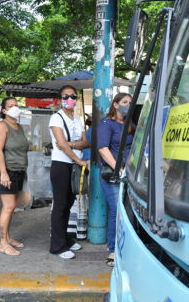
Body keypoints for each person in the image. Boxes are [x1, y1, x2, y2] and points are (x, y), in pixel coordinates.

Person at [48, 85, 89, 259]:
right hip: (61, 164)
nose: (69, 99)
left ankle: (65, 238)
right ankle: (57, 246)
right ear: (60, 99)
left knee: (70, 202)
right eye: (65, 97)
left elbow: (85, 142)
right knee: (60, 205)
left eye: (72, 96)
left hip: (73, 166)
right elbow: (60, 144)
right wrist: (78, 159)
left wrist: (71, 144)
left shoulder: (79, 119)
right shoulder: (56, 118)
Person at [97, 93, 135, 267]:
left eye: (130, 102)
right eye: (125, 102)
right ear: (116, 105)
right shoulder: (106, 124)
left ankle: (123, 245)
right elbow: (103, 149)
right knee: (117, 209)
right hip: (111, 174)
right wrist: (118, 169)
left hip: (128, 174)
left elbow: (135, 147)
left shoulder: (129, 125)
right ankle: (112, 249)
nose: (128, 104)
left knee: (126, 210)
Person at [0, 97, 31, 256]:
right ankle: (2, 243)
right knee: (8, 208)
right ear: (4, 110)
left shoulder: (19, 126)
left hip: (19, 171)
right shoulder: (2, 126)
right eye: (11, 106)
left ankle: (8, 238)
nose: (15, 108)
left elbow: (21, 151)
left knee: (15, 205)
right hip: (7, 171)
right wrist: (3, 173)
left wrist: (25, 172)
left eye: (16, 105)